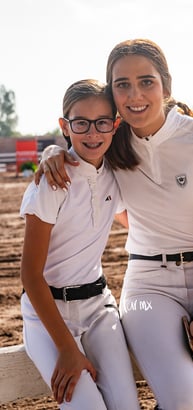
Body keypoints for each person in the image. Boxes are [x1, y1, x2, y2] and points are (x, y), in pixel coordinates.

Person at [35, 40, 193, 410]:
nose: (135, 94)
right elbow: (79, 144)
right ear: (112, 94)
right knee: (185, 401)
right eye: (122, 84)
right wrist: (53, 151)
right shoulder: (112, 140)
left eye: (146, 82)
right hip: (147, 292)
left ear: (166, 87)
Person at [20, 79, 140, 410]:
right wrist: (67, 349)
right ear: (65, 125)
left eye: (102, 122)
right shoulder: (51, 182)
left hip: (99, 308)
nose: (92, 133)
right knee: (85, 405)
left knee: (127, 406)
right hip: (48, 313)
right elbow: (30, 276)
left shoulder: (117, 174)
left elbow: (139, 223)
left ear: (115, 124)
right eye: (81, 123)